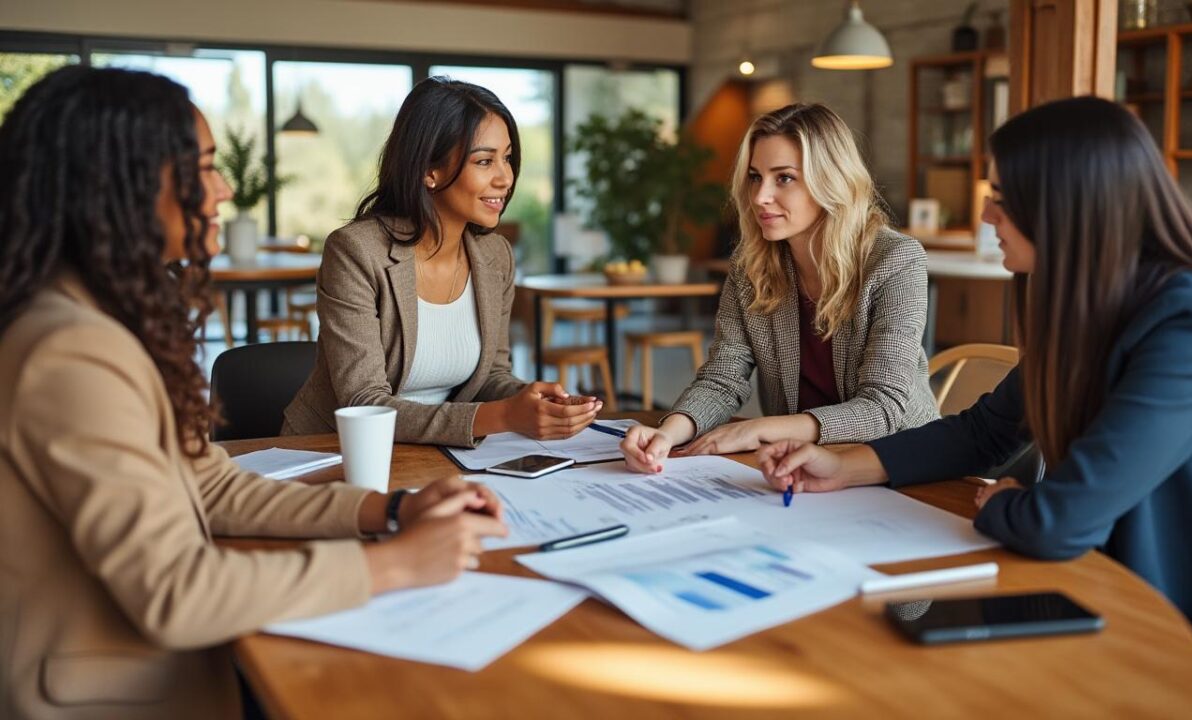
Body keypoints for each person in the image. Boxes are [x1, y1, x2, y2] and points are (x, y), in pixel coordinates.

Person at [0, 66, 507, 719]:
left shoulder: (99, 320)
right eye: (204, 167)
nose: (224, 189)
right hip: (117, 694)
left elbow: (211, 485)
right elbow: (177, 591)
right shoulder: (69, 352)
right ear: (118, 186)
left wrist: (390, 511)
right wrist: (396, 566)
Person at [757, 96, 1192, 713]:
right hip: (1094, 594)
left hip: (1191, 633)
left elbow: (1061, 520)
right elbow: (984, 433)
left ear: (1065, 204)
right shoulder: (1088, 304)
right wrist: (848, 464)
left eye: (1001, 195)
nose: (988, 212)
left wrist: (1009, 502)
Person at [283, 76, 600, 446]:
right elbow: (364, 402)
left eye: (508, 158)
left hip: (438, 455)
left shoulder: (495, 256)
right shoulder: (355, 251)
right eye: (485, 161)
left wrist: (532, 401)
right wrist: (503, 415)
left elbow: (491, 377)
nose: (506, 178)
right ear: (429, 171)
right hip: (333, 452)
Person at [621, 103, 937, 473]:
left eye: (783, 178)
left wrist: (759, 431)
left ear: (830, 180)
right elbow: (723, 378)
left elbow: (883, 408)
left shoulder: (895, 261)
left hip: (898, 467)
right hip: (797, 468)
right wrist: (669, 433)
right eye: (755, 177)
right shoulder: (751, 266)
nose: (759, 196)